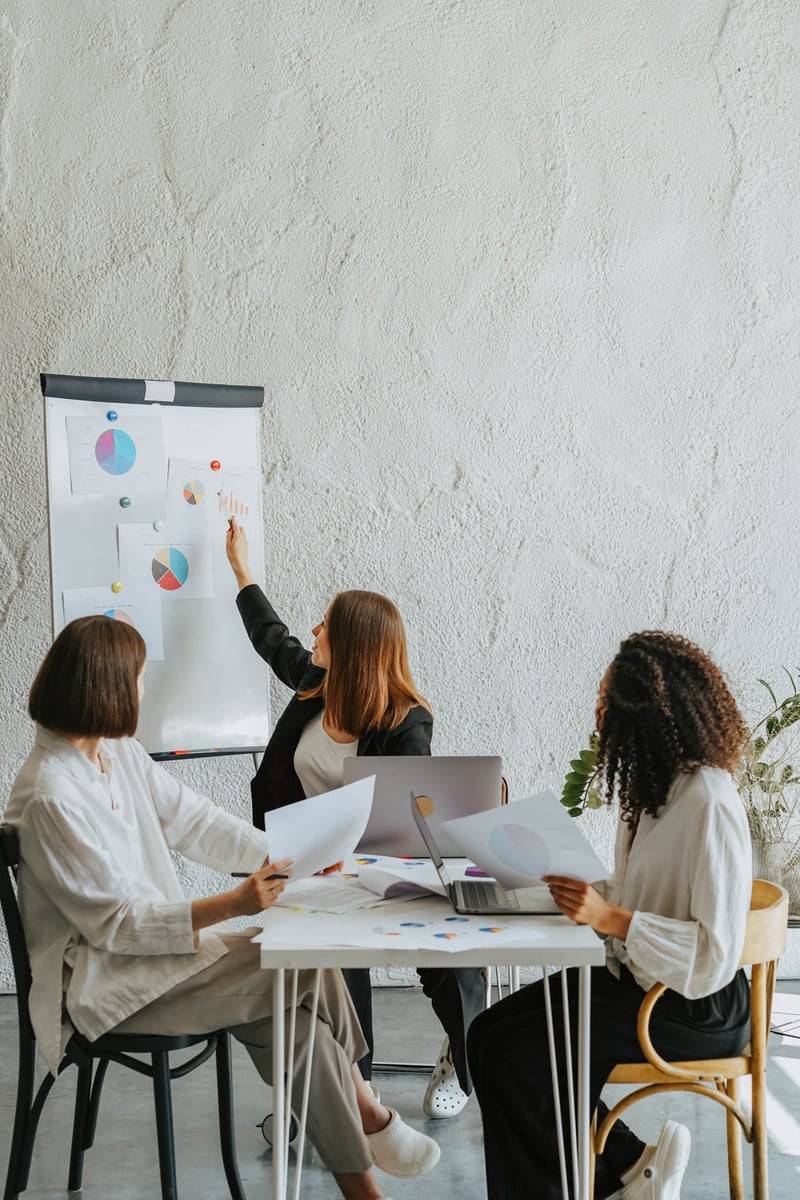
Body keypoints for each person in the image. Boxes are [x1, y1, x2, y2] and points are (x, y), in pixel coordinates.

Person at [7, 615, 441, 1200]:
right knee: (301, 968)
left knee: (297, 1019)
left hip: (161, 963)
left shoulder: (117, 755)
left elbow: (198, 823)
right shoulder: (50, 795)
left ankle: (364, 1167)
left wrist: (291, 857)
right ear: (104, 687)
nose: (142, 688)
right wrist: (233, 903)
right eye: (137, 677)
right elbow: (115, 925)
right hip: (105, 984)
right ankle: (370, 1119)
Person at [467, 631, 752, 1200]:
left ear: (645, 719)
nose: (598, 716)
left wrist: (610, 919)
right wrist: (577, 887)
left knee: (519, 1054)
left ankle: (599, 1179)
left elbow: (713, 956)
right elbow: (636, 892)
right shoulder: (651, 795)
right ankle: (624, 1170)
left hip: (692, 1007)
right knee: (486, 1037)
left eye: (606, 705)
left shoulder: (710, 804)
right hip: (643, 980)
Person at [226, 515, 484, 1118]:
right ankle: (348, 1094)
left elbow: (409, 825)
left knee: (447, 961)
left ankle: (465, 1061)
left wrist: (359, 857)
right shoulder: (316, 684)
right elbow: (272, 636)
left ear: (357, 650)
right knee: (334, 958)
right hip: (310, 869)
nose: (313, 630)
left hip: (382, 869)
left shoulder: (405, 722)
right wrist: (241, 568)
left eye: (328, 626)